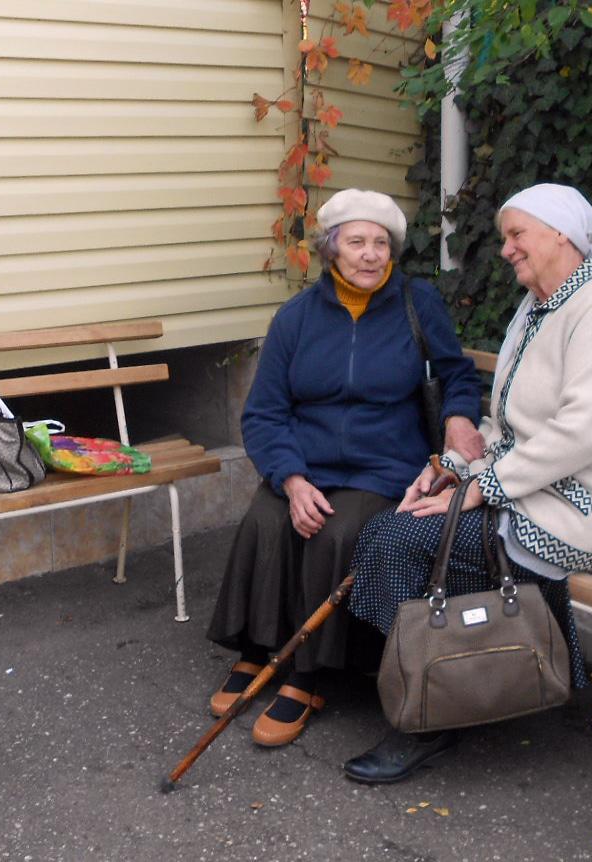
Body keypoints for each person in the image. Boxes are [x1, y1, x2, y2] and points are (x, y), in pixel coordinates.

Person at [342, 183, 592, 783]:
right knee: (392, 528)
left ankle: (432, 715)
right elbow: (506, 427)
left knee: (402, 543)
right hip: (528, 489)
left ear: (561, 234)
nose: (506, 249)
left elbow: (579, 433)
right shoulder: (537, 307)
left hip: (583, 509)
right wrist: (449, 470)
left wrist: (481, 489)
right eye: (506, 237)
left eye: (516, 235)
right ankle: (443, 679)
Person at [204, 188, 484, 747]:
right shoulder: (297, 317)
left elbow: (457, 373)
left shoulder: (417, 303)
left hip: (383, 466)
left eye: (381, 243)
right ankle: (257, 649)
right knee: (267, 520)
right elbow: (264, 412)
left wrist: (458, 417)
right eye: (357, 242)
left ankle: (307, 675)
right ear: (331, 248)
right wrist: (291, 478)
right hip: (306, 462)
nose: (370, 254)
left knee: (335, 531)